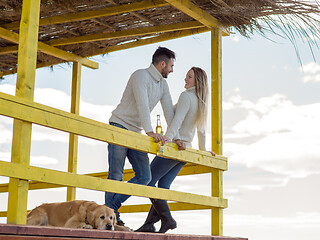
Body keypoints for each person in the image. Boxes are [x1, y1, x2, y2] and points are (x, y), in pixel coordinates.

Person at [135, 67, 216, 233]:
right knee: (163, 185)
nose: (185, 79)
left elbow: (177, 121)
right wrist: (203, 149)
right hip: (186, 151)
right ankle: (150, 224)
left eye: (189, 77)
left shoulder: (186, 96)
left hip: (175, 146)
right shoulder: (200, 101)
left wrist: (168, 138)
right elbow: (201, 130)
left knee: (149, 180)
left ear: (197, 81)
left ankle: (168, 219)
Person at [105, 47, 176, 226]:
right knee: (116, 174)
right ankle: (112, 216)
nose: (172, 70)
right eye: (171, 66)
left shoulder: (163, 85)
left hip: (135, 131)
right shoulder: (140, 76)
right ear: (162, 64)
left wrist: (175, 136)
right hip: (119, 125)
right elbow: (142, 105)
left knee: (145, 176)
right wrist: (150, 130)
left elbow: (169, 112)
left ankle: (110, 207)